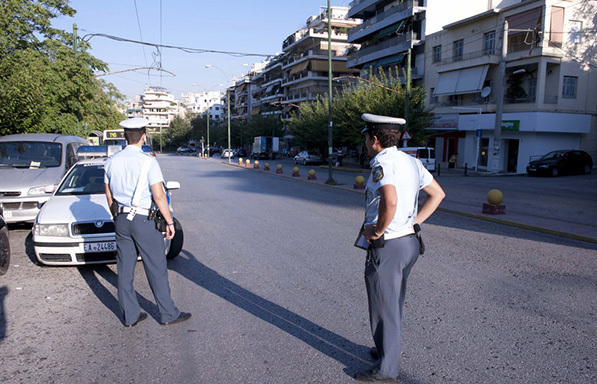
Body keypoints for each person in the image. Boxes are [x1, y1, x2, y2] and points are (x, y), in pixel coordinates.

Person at [354, 114, 445, 382]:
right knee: (393, 302)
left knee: (384, 306)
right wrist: (413, 222)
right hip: (409, 243)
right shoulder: (412, 161)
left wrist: (379, 230)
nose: (366, 143)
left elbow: (390, 201)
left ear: (375, 139)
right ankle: (385, 349)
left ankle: (386, 369)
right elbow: (438, 194)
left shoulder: (382, 162)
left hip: (389, 245)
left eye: (366, 138)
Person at [104, 117, 191, 327]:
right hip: (143, 220)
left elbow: (108, 196)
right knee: (156, 267)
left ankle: (130, 316)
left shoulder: (111, 161)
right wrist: (169, 222)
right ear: (143, 136)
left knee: (125, 269)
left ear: (125, 137)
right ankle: (168, 314)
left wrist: (118, 218)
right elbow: (159, 196)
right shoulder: (148, 161)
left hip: (121, 219)